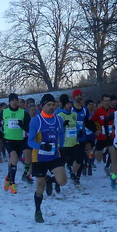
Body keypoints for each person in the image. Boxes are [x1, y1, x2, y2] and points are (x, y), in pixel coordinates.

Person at [28, 94, 67, 223]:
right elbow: (30, 141)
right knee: (40, 186)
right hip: (39, 158)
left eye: (53, 105)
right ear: (42, 106)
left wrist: (61, 147)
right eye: (48, 105)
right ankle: (38, 211)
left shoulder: (58, 119)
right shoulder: (36, 120)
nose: (51, 107)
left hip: (54, 156)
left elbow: (61, 134)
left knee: (62, 181)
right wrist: (41, 146)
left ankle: (51, 180)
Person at [2, 93, 31, 194]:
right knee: (14, 158)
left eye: (16, 100)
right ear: (9, 101)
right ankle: (12, 184)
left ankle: (8, 177)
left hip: (20, 140)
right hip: (8, 140)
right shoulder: (4, 112)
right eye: (12, 100)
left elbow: (28, 128)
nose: (14, 102)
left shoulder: (23, 113)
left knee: (16, 160)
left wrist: (22, 125)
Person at [56, 94, 84, 185]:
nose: (69, 105)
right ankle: (57, 181)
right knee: (62, 164)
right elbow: (57, 129)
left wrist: (79, 131)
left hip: (74, 142)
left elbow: (76, 124)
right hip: (65, 144)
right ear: (64, 105)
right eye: (67, 104)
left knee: (80, 159)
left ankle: (73, 174)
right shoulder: (60, 115)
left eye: (70, 104)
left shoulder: (74, 114)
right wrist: (63, 125)